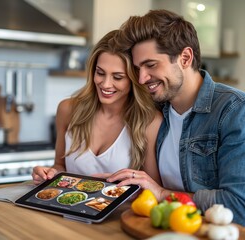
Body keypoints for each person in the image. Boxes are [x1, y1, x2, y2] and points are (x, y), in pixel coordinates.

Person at [107, 9, 245, 225]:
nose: (142, 78)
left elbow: (238, 206)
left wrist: (162, 194)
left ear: (185, 57)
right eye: (138, 68)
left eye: (151, 65)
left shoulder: (234, 110)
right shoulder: (153, 110)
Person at [32, 30, 163, 186]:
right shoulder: (68, 110)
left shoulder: (149, 121)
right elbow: (61, 166)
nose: (105, 84)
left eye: (118, 77)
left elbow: (152, 188)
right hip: (68, 207)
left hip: (121, 210)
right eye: (100, 73)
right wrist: (50, 173)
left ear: (134, 79)